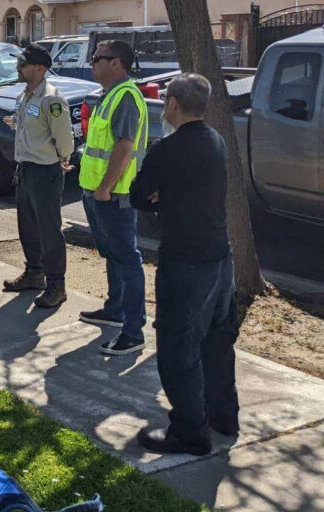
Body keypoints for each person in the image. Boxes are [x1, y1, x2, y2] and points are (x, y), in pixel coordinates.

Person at [129, 73, 239, 456]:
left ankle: (190, 432)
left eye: (165, 99)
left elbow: (139, 196)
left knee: (178, 347)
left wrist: (162, 196)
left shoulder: (167, 149)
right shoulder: (216, 140)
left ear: (172, 104)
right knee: (217, 342)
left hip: (185, 262)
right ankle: (223, 416)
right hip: (220, 258)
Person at [77, 40, 149, 355]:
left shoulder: (126, 96)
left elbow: (124, 147)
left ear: (116, 63)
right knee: (113, 255)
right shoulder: (109, 94)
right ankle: (115, 310)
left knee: (127, 260)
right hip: (97, 192)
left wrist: (105, 187)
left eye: (97, 58)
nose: (92, 63)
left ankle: (133, 332)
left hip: (114, 195)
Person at [1, 43, 75, 309]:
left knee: (48, 230)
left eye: (24, 63)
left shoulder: (51, 99)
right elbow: (28, 125)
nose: (18, 67)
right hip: (26, 168)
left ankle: (57, 285)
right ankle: (35, 273)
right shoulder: (26, 96)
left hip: (45, 171)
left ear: (40, 68)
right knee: (28, 226)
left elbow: (64, 138)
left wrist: (61, 159)